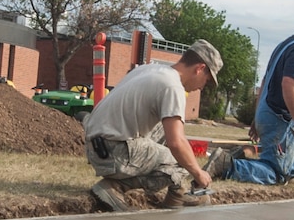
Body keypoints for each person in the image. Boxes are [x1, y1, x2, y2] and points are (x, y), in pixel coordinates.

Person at [83, 40, 224, 211]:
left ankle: (177, 194)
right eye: (206, 81)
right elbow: (176, 144)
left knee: (172, 134)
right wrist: (198, 173)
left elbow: (173, 135)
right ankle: (114, 187)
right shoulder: (173, 87)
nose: (202, 87)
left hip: (98, 145)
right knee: (181, 161)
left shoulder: (150, 69)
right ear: (199, 68)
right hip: (114, 152)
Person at [220, 7, 294, 184]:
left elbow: (265, 81)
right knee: (277, 174)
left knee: (291, 174)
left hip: (268, 114)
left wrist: (257, 116)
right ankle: (226, 166)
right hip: (280, 121)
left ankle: (289, 172)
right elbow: (289, 84)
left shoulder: (285, 45)